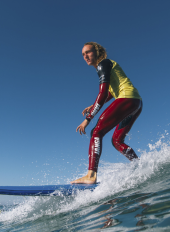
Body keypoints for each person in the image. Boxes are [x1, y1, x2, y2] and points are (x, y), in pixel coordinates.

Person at [71, 42, 143, 184]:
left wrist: (88, 118)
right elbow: (109, 93)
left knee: (96, 131)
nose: (85, 56)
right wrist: (94, 105)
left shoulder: (103, 64)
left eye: (88, 52)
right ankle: (140, 166)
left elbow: (102, 93)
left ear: (97, 52)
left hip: (127, 98)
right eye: (83, 54)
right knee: (117, 141)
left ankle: (91, 175)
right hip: (136, 102)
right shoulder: (107, 65)